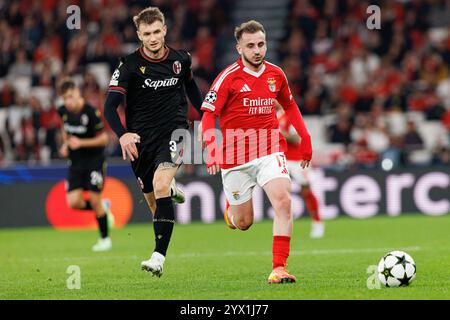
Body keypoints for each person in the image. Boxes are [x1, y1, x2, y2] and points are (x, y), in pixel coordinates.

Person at [200, 20, 312, 284]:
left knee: (283, 201)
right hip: (235, 157)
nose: (257, 50)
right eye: (250, 45)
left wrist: (305, 137)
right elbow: (208, 115)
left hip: (269, 149)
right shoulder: (228, 77)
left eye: (261, 44)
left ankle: (279, 267)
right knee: (243, 222)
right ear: (239, 47)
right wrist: (212, 149)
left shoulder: (276, 74)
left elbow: (290, 106)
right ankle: (232, 209)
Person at [104, 7, 203, 277]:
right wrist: (122, 134)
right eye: (146, 33)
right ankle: (169, 191)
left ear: (165, 30)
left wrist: (207, 115)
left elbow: (192, 89)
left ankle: (158, 257)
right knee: (153, 200)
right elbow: (109, 107)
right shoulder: (129, 65)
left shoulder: (182, 59)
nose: (153, 37)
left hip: (175, 133)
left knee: (160, 184)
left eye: (157, 31)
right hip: (141, 141)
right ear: (139, 34)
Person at [57, 79, 114, 252]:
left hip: (94, 161)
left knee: (95, 199)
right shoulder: (63, 111)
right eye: (65, 98)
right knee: (74, 202)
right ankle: (102, 210)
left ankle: (105, 239)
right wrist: (65, 144)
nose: (68, 102)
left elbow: (104, 139)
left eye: (70, 97)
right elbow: (64, 128)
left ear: (77, 94)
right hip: (75, 163)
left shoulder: (91, 112)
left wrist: (81, 143)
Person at [277, 104, 324, 238]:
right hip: (281, 158)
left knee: (306, 191)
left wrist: (279, 133)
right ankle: (285, 225)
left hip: (297, 159)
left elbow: (297, 138)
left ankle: (317, 222)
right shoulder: (270, 115)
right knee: (280, 192)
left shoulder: (289, 116)